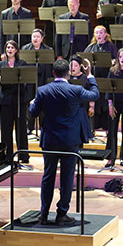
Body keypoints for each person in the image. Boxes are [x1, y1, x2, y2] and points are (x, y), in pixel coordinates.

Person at [29, 58, 101, 225]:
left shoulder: (42, 90)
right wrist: (90, 76)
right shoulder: (76, 89)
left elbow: (33, 113)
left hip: (50, 141)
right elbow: (95, 95)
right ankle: (62, 213)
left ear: (53, 73)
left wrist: (32, 104)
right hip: (69, 141)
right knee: (67, 177)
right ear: (68, 74)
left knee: (48, 176)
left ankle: (44, 214)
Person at [0, 40, 31, 162]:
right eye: (7, 47)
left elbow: (26, 81)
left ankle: (23, 155)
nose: (9, 49)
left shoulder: (22, 63)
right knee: (6, 129)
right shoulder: (1, 64)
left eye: (12, 47)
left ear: (16, 50)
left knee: (21, 129)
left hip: (19, 100)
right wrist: (0, 79)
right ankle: (7, 155)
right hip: (5, 101)